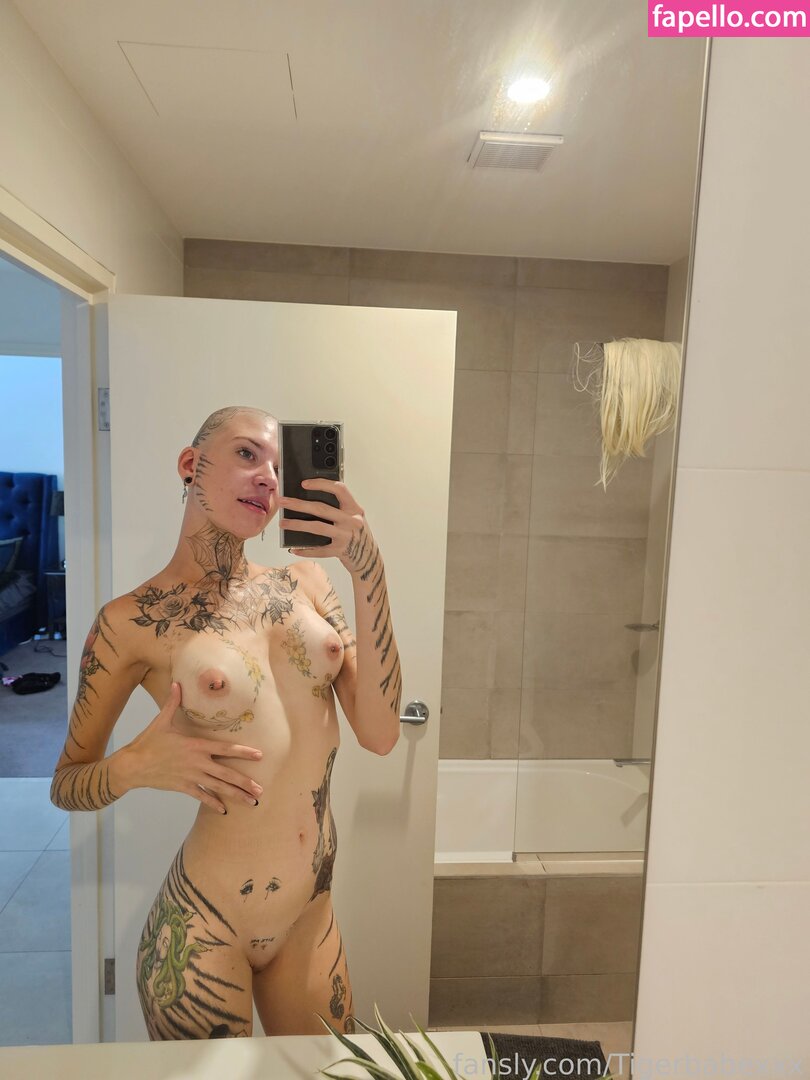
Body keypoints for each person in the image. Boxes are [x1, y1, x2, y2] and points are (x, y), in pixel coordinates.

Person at [50, 405, 401, 1040]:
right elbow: (66, 784)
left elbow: (380, 734)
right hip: (201, 930)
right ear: (192, 465)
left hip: (310, 915)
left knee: (334, 1076)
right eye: (246, 454)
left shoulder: (308, 583)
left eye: (277, 466)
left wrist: (367, 566)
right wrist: (135, 766)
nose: (267, 476)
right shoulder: (129, 621)